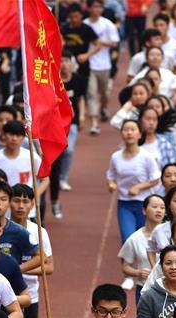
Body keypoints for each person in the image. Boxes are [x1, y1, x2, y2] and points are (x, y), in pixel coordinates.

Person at [9, 184, 55, 318]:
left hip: (30, 296)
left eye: (25, 201)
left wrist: (18, 269)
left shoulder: (38, 232)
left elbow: (49, 267)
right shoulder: (2, 230)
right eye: (16, 200)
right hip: (3, 296)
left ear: (32, 204)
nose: (20, 205)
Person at [106, 120, 161, 243]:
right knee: (128, 239)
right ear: (121, 134)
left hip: (144, 204)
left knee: (145, 240)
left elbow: (156, 179)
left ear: (140, 134)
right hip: (124, 203)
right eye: (126, 130)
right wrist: (111, 184)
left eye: (133, 130)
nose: (129, 133)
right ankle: (126, 263)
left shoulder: (147, 156)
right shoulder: (116, 157)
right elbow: (110, 175)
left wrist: (139, 187)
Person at [0, 120, 49, 211]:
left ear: (23, 138)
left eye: (18, 136)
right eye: (11, 135)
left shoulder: (31, 157)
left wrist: (33, 197)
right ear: (4, 135)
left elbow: (45, 179)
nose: (14, 139)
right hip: (2, 209)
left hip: (24, 208)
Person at [118, 194, 164, 300]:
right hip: (144, 290)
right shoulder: (134, 239)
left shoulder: (172, 233)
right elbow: (125, 267)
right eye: (154, 206)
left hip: (169, 290)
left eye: (162, 207)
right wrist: (138, 272)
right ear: (144, 211)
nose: (159, 210)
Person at [85, 0, 120, 134]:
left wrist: (99, 42)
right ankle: (94, 123)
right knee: (92, 93)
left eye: (99, 6)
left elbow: (115, 43)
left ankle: (104, 107)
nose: (96, 9)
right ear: (89, 8)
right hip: (90, 64)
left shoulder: (107, 24)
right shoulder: (85, 24)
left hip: (104, 64)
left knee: (104, 93)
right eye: (94, 6)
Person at [56, 50, 88, 200]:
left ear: (71, 62)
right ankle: (54, 175)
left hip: (72, 122)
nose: (64, 64)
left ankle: (63, 178)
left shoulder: (78, 79)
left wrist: (82, 115)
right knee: (57, 151)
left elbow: (81, 98)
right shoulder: (53, 80)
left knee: (68, 150)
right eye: (61, 61)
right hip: (55, 122)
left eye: (67, 61)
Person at [61, 2, 98, 83]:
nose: (74, 20)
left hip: (82, 63)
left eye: (76, 17)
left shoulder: (86, 29)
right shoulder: (64, 28)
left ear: (81, 15)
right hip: (67, 63)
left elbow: (98, 45)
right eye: (71, 17)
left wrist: (86, 55)